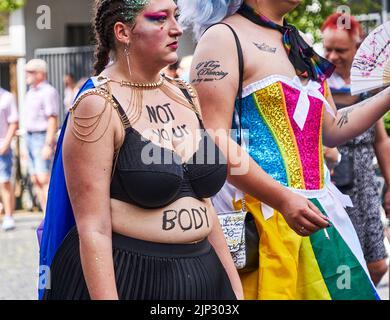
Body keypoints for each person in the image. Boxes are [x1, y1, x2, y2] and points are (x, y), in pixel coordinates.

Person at [179, 0, 390, 299]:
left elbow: (332, 129)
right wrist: (283, 199)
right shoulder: (223, 38)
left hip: (322, 217)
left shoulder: (296, 41)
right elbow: (214, 139)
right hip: (267, 220)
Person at [39, 0, 242, 300]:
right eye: (160, 19)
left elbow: (206, 205)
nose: (176, 28)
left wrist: (234, 288)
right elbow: (93, 229)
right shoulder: (97, 105)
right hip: (133, 279)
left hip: (205, 275)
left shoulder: (186, 95)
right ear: (122, 31)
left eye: (175, 16)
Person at [321, 13, 390, 286]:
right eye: (328, 49)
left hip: (365, 187)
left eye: (341, 50)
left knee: (377, 263)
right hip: (335, 187)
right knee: (344, 265)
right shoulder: (317, 83)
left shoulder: (369, 87)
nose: (333, 56)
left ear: (357, 48)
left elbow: (381, 140)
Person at [24, 59, 59, 213]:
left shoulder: (48, 91)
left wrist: (48, 144)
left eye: (30, 71)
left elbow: (52, 118)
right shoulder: (31, 91)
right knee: (35, 178)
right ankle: (45, 215)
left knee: (44, 178)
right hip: (30, 137)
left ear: (40, 73)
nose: (27, 74)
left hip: (41, 137)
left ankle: (50, 215)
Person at [0, 87, 18, 231]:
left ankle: (8, 216)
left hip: (2, 145)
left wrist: (6, 143)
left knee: (4, 181)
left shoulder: (7, 97)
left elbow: (13, 122)